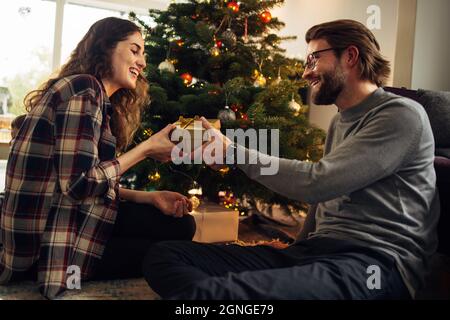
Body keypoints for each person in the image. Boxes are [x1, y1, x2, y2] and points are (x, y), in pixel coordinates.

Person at [141, 19, 439, 300]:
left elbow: (318, 182)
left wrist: (232, 151)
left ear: (350, 56)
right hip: (315, 252)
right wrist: (295, 248)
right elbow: (323, 200)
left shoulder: (400, 115)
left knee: (221, 295)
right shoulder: (341, 121)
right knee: (164, 256)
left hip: (374, 262)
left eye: (314, 59)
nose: (306, 73)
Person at [0, 17, 195, 299]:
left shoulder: (94, 97)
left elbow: (80, 180)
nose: (142, 63)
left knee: (179, 226)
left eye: (143, 55)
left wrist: (149, 197)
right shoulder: (83, 89)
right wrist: (147, 149)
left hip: (71, 216)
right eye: (134, 50)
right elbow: (80, 185)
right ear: (105, 48)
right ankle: (51, 269)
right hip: (47, 237)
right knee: (172, 245)